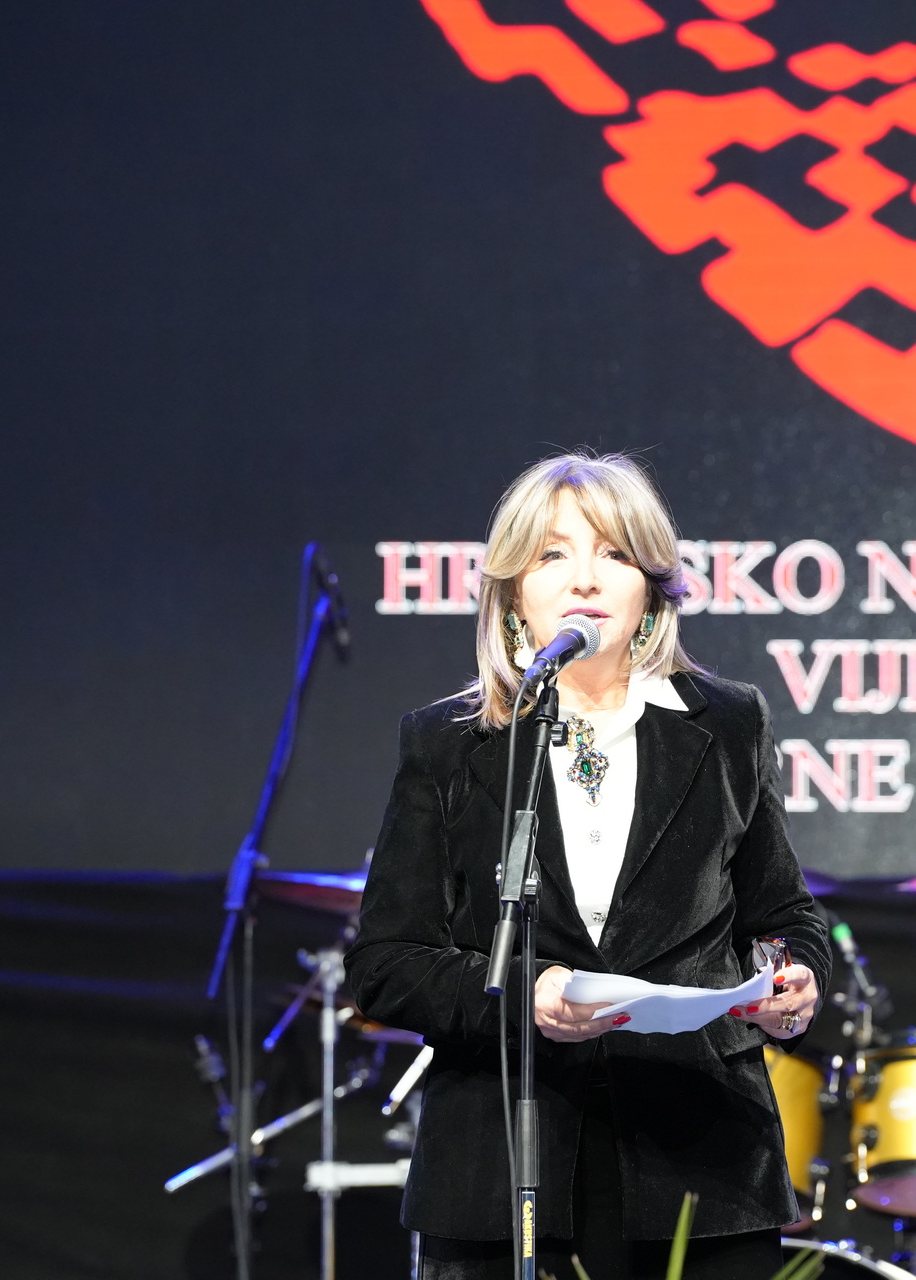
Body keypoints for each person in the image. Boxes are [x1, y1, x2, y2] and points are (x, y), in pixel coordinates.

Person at [346, 452, 830, 1280]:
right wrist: (524, 994)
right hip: (501, 1164)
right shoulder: (448, 743)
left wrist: (793, 979)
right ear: (512, 594)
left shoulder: (729, 723)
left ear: (651, 588)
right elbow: (385, 965)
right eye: (552, 555)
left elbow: (783, 915)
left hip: (703, 1163)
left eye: (613, 553)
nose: (585, 579)